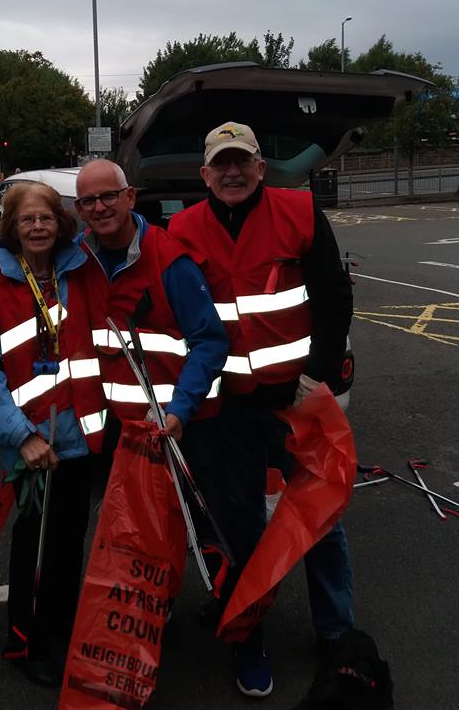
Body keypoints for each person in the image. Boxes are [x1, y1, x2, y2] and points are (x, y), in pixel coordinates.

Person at [168, 121, 355, 700]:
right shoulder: (181, 228)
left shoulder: (299, 213)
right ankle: (250, 637)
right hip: (226, 411)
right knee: (242, 525)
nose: (231, 172)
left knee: (321, 518)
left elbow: (333, 296)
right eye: (220, 163)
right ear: (204, 174)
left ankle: (336, 634)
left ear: (260, 168)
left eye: (241, 161)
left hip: (294, 401)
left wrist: (316, 375)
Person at [0, 183, 107, 688]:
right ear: (10, 227)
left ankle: (60, 627)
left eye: (46, 218)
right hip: (32, 441)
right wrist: (20, 436)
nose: (36, 227)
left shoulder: (81, 271)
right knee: (33, 546)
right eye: (26, 220)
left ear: (61, 223)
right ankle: (27, 640)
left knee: (69, 542)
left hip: (78, 438)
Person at [74, 159, 227, 443]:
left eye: (109, 196)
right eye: (88, 201)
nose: (99, 207)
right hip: (115, 429)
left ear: (130, 197)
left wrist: (180, 409)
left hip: (177, 425)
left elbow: (210, 341)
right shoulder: (75, 259)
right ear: (79, 210)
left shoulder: (170, 260)